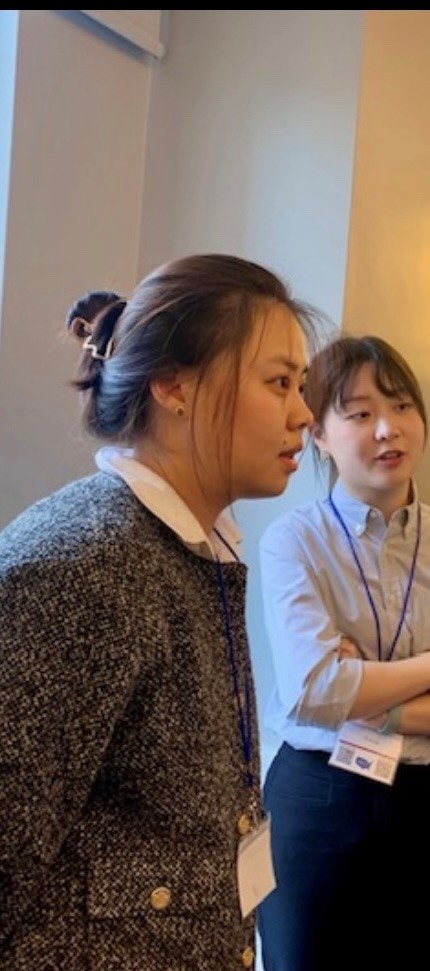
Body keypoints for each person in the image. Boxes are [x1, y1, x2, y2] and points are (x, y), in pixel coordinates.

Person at [0, 254, 321, 969]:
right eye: (279, 382)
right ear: (173, 384)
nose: (304, 412)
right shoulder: (81, 566)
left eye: (301, 385)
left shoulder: (196, 550)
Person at [257, 335, 430, 971]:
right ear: (318, 432)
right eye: (358, 413)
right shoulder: (292, 542)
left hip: (423, 797)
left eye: (403, 406)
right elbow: (314, 692)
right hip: (316, 794)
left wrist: (378, 705)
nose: (388, 429)